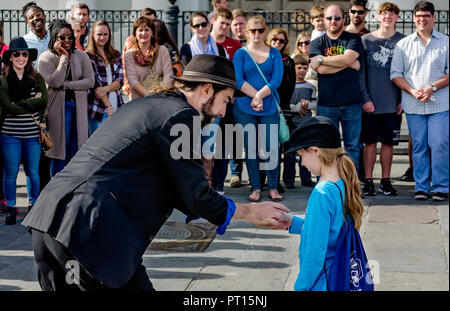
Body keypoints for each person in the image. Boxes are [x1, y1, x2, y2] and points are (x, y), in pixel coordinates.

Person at [21, 54, 291, 291]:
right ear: (207, 90)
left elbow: (180, 190)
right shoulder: (180, 116)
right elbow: (196, 195)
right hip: (89, 232)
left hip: (52, 219)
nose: (223, 111)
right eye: (225, 100)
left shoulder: (149, 105)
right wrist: (248, 212)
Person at [284, 116, 364, 291]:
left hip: (322, 282)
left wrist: (301, 287)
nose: (302, 163)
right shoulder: (342, 183)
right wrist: (292, 222)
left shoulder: (322, 193)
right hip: (339, 278)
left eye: (301, 156)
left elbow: (315, 251)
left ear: (315, 151)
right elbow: (330, 231)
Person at [390, 1, 449, 201]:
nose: (422, 19)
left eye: (426, 16)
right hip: (414, 103)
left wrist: (432, 88)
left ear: (433, 18)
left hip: (440, 102)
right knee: (419, 146)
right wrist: (412, 90)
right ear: (414, 18)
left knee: (440, 143)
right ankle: (421, 186)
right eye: (418, 16)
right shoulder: (403, 45)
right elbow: (396, 74)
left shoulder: (445, 42)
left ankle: (441, 186)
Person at [309, 4, 364, 174]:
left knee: (352, 146)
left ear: (343, 19)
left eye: (337, 18)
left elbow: (345, 60)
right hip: (326, 103)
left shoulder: (353, 39)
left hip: (352, 103)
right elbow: (322, 70)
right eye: (329, 18)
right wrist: (347, 63)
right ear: (324, 20)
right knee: (326, 146)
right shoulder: (317, 42)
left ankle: (351, 183)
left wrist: (323, 60)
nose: (333, 21)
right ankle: (328, 181)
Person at [233, 15, 283, 202]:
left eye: (260, 30)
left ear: (265, 31)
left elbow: (276, 80)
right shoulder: (241, 53)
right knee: (251, 147)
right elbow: (238, 81)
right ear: (247, 32)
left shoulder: (274, 53)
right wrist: (255, 97)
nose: (256, 34)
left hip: (268, 105)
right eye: (253, 30)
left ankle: (273, 187)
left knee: (271, 147)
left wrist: (259, 96)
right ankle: (255, 187)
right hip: (245, 107)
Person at [38, 19, 95, 176]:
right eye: (61, 37)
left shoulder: (81, 56)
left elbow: (90, 81)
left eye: (70, 37)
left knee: (76, 152)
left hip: (78, 108)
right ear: (54, 37)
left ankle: (71, 193)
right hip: (58, 111)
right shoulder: (46, 58)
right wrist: (63, 58)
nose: (67, 40)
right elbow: (55, 81)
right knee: (59, 155)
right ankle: (56, 192)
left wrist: (67, 84)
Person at [0, 37, 48, 224]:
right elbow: (7, 107)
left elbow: (43, 102)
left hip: (31, 134)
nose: (21, 57)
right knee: (10, 172)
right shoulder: (3, 81)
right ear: (10, 57)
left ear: (29, 57)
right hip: (9, 134)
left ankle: (33, 205)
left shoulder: (37, 79)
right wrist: (31, 103)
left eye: (25, 54)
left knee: (33, 172)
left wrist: (19, 103)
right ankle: (11, 207)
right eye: (17, 54)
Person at [359, 2, 405, 197]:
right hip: (370, 101)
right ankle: (368, 181)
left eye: (392, 14)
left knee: (388, 143)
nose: (387, 16)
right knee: (369, 143)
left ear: (397, 17)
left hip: (392, 100)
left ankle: (385, 181)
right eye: (384, 13)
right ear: (377, 17)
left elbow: (407, 73)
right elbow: (360, 73)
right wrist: (364, 98)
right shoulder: (365, 40)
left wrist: (403, 98)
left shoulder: (403, 41)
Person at [210, 7, 242, 194]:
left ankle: (219, 183)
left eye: (228, 25)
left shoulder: (235, 45)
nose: (225, 27)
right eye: (222, 23)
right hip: (208, 101)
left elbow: (236, 73)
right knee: (205, 142)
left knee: (223, 142)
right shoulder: (206, 43)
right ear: (213, 20)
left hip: (227, 101)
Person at [267, 27, 295, 193]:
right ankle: (272, 181)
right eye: (274, 40)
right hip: (266, 107)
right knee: (271, 149)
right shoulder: (264, 59)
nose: (277, 43)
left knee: (287, 146)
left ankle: (288, 179)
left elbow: (288, 88)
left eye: (281, 41)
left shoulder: (288, 62)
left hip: (282, 108)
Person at [283, 54, 317, 190]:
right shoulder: (288, 85)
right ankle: (288, 180)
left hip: (306, 124)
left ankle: (306, 178)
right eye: (299, 67)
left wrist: (307, 105)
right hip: (291, 123)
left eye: (305, 67)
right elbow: (284, 104)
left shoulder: (310, 87)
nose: (302, 70)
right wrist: (297, 108)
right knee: (289, 153)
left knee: (306, 152)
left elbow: (315, 105)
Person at [85, 20, 124, 134]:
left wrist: (105, 89)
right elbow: (96, 86)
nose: (102, 37)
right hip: (98, 108)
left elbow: (120, 80)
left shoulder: (116, 54)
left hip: (117, 104)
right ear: (93, 35)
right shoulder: (88, 56)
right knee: (98, 145)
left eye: (105, 34)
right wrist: (108, 106)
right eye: (99, 34)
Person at [123, 17, 173, 100]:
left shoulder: (162, 50)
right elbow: (133, 81)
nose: (143, 33)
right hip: (138, 101)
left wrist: (161, 94)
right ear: (135, 34)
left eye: (147, 30)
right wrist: (149, 96)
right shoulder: (129, 55)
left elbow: (168, 75)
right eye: (140, 30)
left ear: (152, 33)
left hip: (161, 99)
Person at [121, 8, 157, 99]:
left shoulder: (156, 41)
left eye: (152, 21)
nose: (148, 23)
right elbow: (125, 66)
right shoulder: (131, 41)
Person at [21, 2, 50, 69]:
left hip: (54, 78)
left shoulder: (54, 37)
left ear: (44, 16)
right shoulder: (24, 41)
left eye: (38, 14)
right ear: (28, 23)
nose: (36, 18)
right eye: (31, 17)